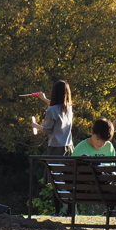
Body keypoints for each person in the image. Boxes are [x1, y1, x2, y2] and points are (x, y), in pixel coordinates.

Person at [30, 81, 74, 216]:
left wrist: (35, 125)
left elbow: (48, 130)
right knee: (68, 180)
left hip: (55, 149)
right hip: (69, 148)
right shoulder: (69, 108)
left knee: (55, 181)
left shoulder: (51, 110)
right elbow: (56, 108)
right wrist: (43, 99)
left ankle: (57, 211)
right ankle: (70, 211)